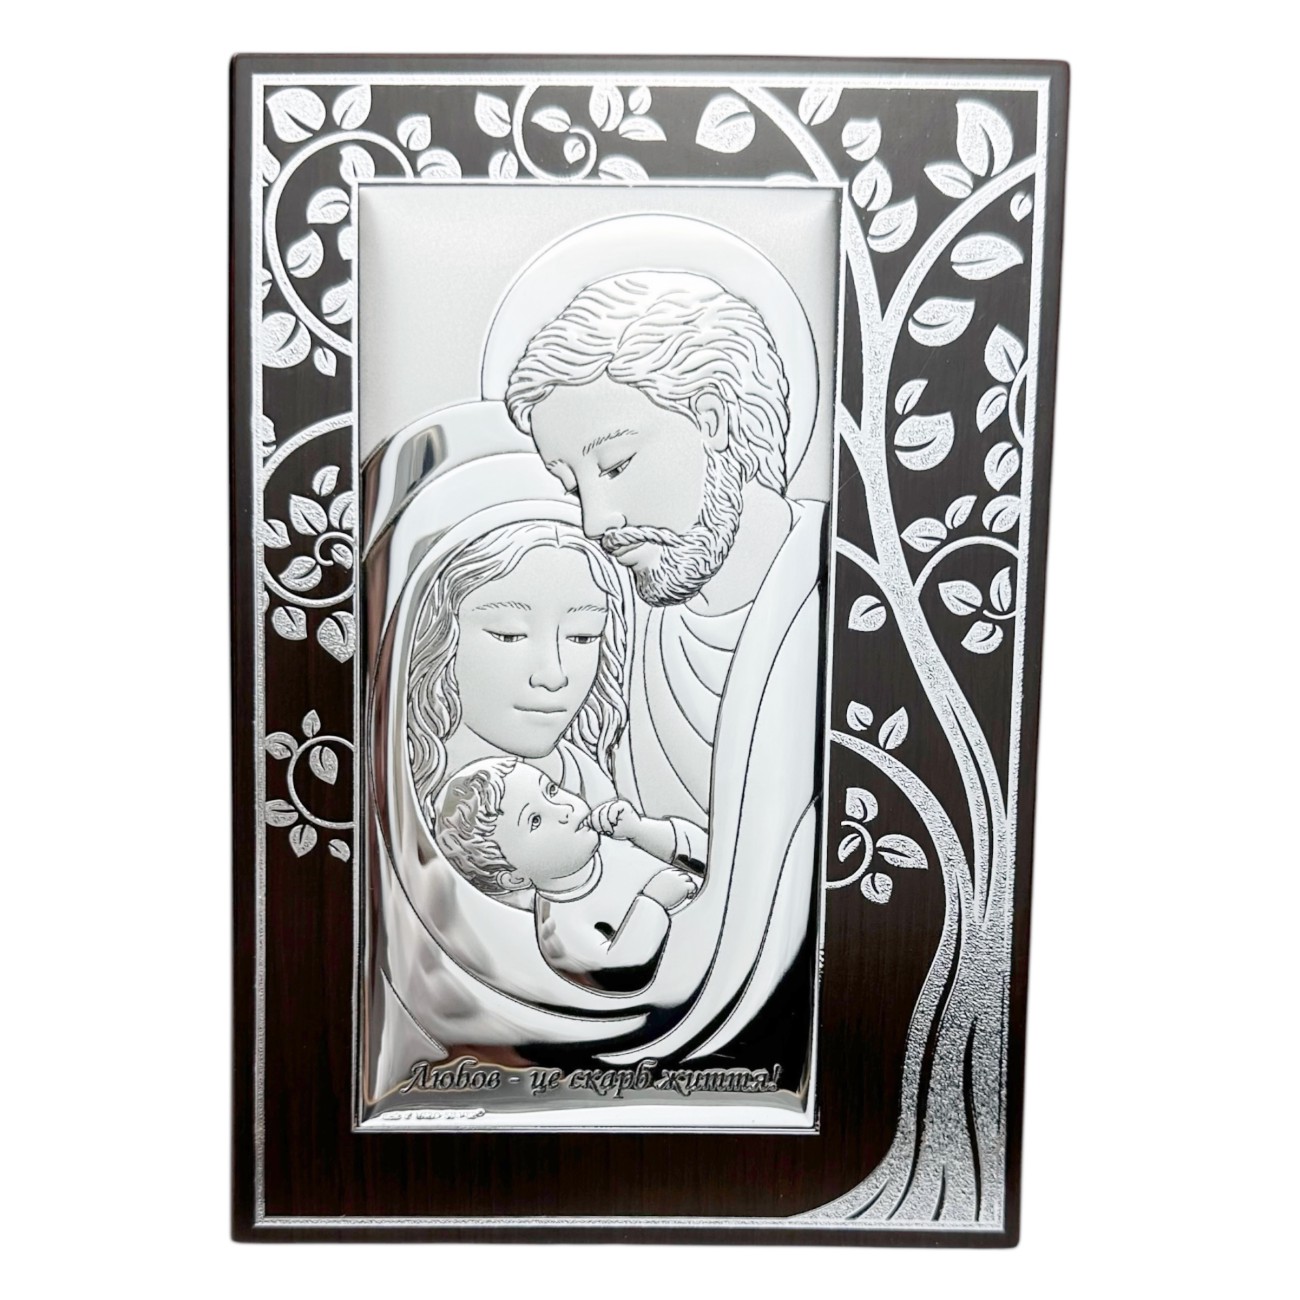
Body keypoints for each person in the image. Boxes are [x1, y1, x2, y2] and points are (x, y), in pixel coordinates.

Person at [505, 270, 825, 1058]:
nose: (595, 520)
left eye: (614, 465)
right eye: (571, 485)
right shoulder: (614, 629)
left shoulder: (843, 596)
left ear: (712, 418)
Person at [433, 755, 702, 988]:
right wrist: (653, 903)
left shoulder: (615, 836)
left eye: (551, 790)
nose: (564, 809)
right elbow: (619, 973)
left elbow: (703, 849)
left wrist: (641, 829)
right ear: (514, 877)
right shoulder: (558, 931)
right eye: (535, 820)